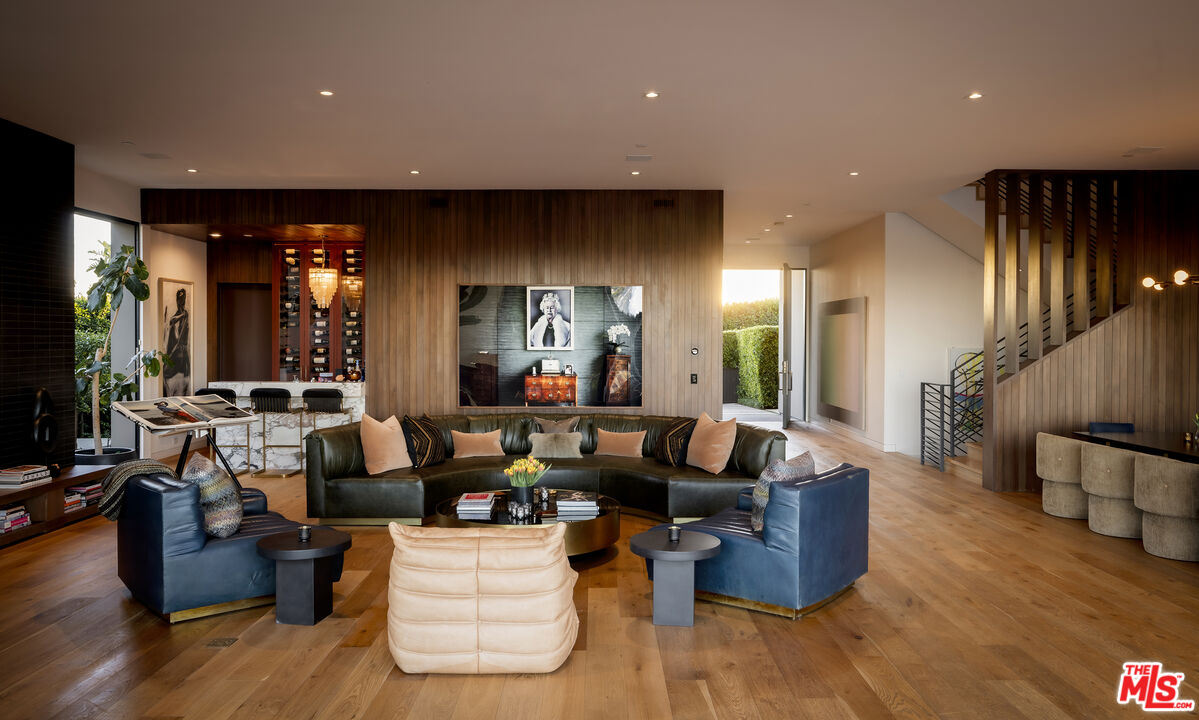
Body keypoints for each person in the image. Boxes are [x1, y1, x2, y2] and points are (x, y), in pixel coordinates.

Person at [162, 288, 191, 396]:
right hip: (175, 348)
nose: (181, 302)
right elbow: (172, 320)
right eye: (179, 299)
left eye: (182, 299)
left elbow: (176, 319)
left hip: (182, 348)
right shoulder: (179, 314)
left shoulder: (185, 313)